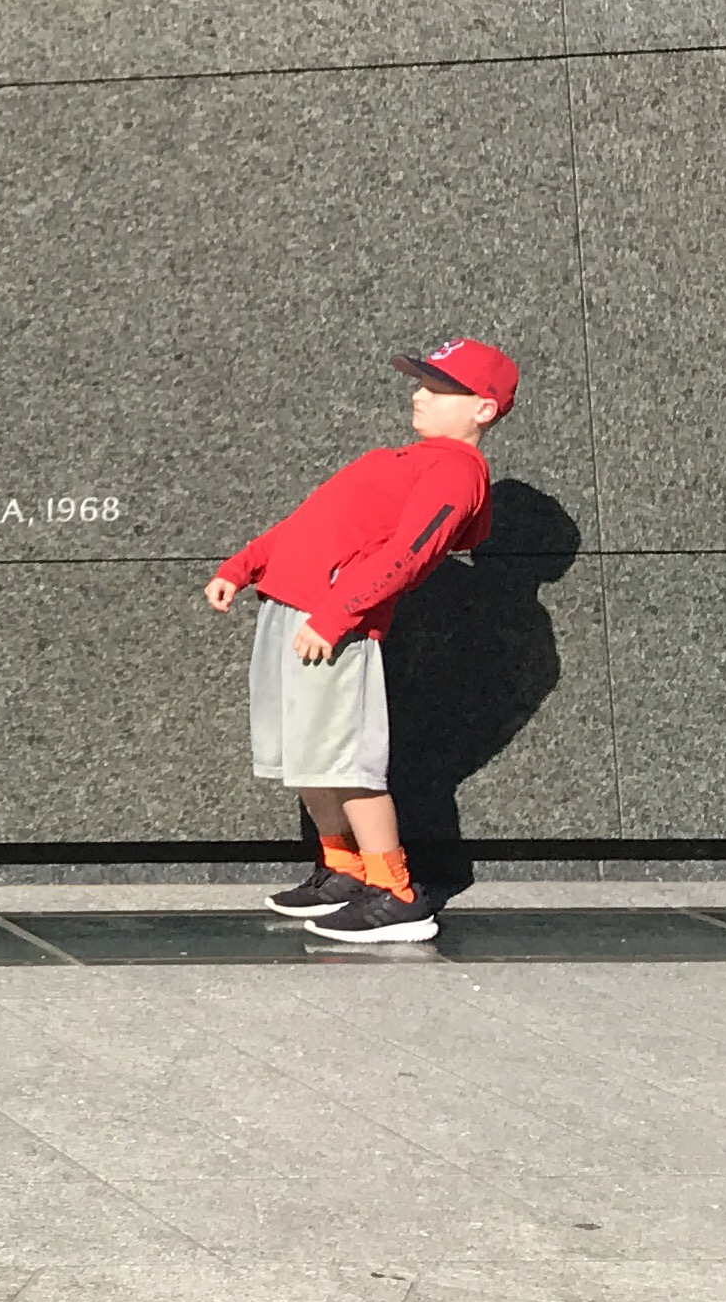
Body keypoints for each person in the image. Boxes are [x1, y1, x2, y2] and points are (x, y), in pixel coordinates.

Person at [206, 338, 518, 945]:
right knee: (307, 756)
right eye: (421, 384)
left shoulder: (457, 471)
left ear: (483, 409)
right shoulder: (401, 459)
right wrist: (242, 567)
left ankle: (396, 893)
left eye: (439, 389)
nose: (419, 395)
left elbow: (409, 554)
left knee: (347, 761)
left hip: (330, 622)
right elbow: (309, 522)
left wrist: (335, 616)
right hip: (292, 610)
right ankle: (345, 870)